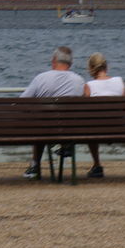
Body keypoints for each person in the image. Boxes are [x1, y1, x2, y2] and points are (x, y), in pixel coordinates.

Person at [19, 46, 85, 179]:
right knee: (58, 121)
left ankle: (35, 165)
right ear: (70, 64)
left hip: (44, 129)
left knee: (41, 123)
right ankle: (66, 146)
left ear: (53, 60)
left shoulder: (41, 78)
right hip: (70, 131)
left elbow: (21, 103)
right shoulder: (79, 81)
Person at [80, 52, 125, 178]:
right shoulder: (119, 81)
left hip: (97, 130)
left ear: (91, 69)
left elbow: (84, 111)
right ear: (106, 67)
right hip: (119, 128)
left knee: (90, 128)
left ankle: (97, 164)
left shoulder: (89, 86)